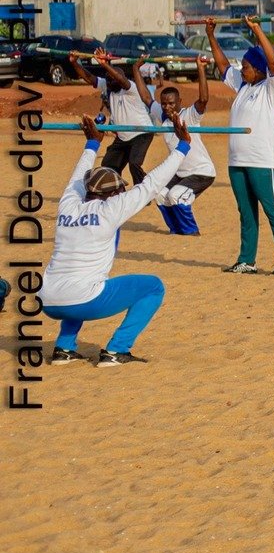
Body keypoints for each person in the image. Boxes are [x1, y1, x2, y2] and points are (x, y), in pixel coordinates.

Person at [43, 113, 194, 365]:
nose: (123, 192)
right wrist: (183, 146)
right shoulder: (110, 209)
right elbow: (151, 185)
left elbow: (77, 179)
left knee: (80, 280)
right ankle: (116, 350)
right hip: (82, 301)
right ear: (112, 193)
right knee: (153, 287)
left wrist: (92, 143)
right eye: (120, 189)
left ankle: (64, 348)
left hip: (48, 300)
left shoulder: (68, 205)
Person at [205, 20, 274, 275]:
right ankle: (247, 260)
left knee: (273, 209)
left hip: (262, 160)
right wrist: (211, 35)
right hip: (237, 160)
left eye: (245, 66)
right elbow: (222, 66)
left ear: (258, 69)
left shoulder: (271, 87)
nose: (241, 70)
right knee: (246, 212)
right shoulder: (243, 86)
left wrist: (257, 31)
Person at [140, 66, 215, 235]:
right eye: (164, 103)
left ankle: (191, 231)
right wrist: (136, 69)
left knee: (175, 195)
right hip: (181, 173)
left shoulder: (190, 116)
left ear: (180, 102)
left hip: (201, 172)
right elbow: (146, 97)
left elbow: (203, 99)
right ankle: (176, 229)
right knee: (159, 193)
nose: (167, 107)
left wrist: (200, 69)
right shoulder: (163, 115)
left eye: (171, 103)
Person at [69, 52, 153, 181]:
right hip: (123, 136)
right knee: (108, 165)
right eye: (107, 79)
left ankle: (143, 190)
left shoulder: (131, 88)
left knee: (135, 164)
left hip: (142, 133)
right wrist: (74, 63)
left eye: (111, 78)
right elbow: (89, 78)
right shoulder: (108, 86)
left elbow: (119, 78)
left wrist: (104, 64)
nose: (108, 82)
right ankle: (116, 191)